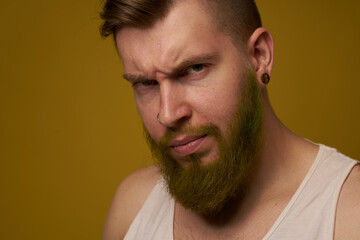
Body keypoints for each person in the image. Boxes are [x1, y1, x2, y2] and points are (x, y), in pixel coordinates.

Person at [100, 0, 360, 239]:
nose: (167, 114)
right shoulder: (132, 204)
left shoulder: (349, 215)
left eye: (194, 69)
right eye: (146, 83)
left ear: (259, 56)